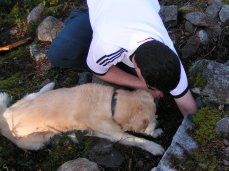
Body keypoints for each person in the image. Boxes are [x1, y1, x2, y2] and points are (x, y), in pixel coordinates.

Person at [47, 0, 197, 116]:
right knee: (58, 54)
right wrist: (141, 85)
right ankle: (81, 17)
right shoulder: (107, 46)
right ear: (138, 68)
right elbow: (99, 70)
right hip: (103, 11)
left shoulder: (169, 54)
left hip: (131, 9)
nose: (160, 94)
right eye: (154, 87)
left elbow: (188, 106)